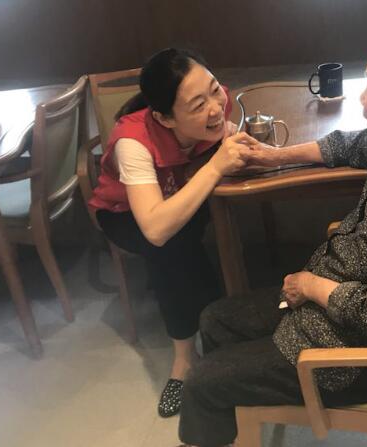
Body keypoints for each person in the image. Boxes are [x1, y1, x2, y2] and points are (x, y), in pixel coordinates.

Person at [177, 22, 367, 447]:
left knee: (202, 384)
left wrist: (310, 285)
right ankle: (236, 425)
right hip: (337, 308)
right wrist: (273, 157)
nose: (362, 98)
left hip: (360, 359)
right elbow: (350, 145)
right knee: (214, 320)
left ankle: (224, 409)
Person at [88, 48, 258, 418]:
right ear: (164, 118)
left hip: (177, 196)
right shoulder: (133, 141)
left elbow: (222, 130)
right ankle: (186, 359)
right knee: (169, 246)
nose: (215, 107)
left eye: (214, 90)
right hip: (124, 215)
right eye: (198, 105)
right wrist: (215, 167)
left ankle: (221, 326)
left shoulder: (215, 105)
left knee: (192, 230)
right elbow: (154, 227)